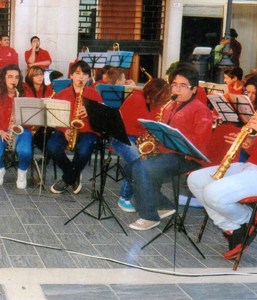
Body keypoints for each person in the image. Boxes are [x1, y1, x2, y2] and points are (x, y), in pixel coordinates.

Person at [187, 58, 257, 260]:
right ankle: (234, 226)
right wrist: (251, 144)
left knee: (214, 192)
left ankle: (247, 219)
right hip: (255, 168)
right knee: (195, 180)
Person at [122, 63, 213, 231]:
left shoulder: (201, 110)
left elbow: (202, 141)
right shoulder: (170, 105)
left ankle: (149, 216)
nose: (177, 90)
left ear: (194, 89)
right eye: (175, 85)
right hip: (168, 153)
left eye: (183, 86)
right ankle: (163, 205)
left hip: (188, 157)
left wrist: (176, 135)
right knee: (128, 169)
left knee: (142, 169)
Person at [110, 78, 172, 213]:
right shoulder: (136, 99)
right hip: (122, 138)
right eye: (161, 99)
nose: (163, 103)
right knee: (138, 162)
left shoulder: (156, 104)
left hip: (139, 139)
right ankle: (124, 197)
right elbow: (138, 123)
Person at [47, 60, 103, 194]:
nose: (81, 77)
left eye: (85, 74)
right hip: (67, 130)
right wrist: (64, 130)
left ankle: (68, 179)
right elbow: (56, 119)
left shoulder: (94, 94)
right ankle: (74, 173)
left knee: (84, 150)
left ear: (89, 77)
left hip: (89, 131)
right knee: (52, 147)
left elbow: (102, 121)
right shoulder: (62, 94)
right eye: (78, 73)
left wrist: (91, 112)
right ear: (71, 76)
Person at [0, 64, 32, 189]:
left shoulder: (24, 93)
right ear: (3, 78)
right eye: (10, 77)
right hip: (2, 130)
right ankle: (1, 169)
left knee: (25, 152)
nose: (14, 80)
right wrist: (1, 131)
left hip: (21, 129)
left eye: (17, 77)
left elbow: (32, 118)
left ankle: (22, 173)